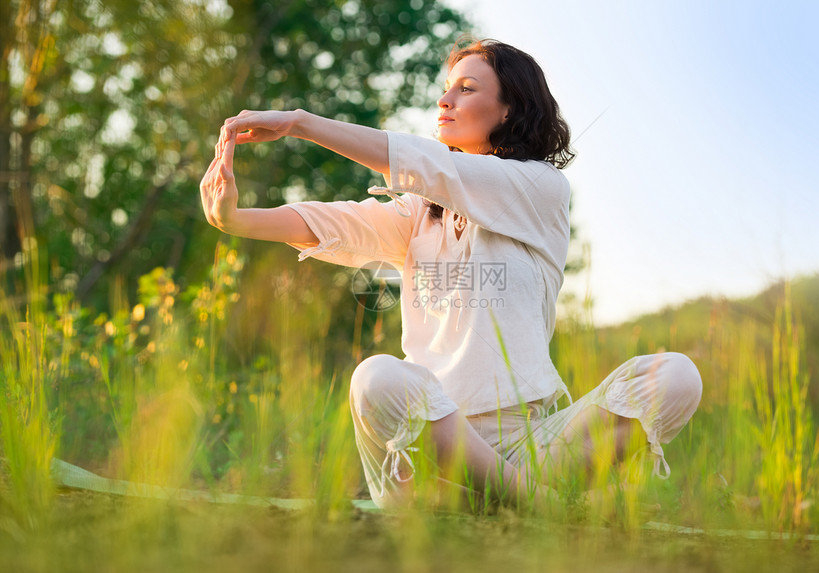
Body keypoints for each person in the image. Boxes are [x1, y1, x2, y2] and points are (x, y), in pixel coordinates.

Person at [199, 39, 702, 511]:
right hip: (434, 445)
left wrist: (299, 123)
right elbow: (343, 222)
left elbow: (432, 165)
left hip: (533, 443)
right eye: (447, 88)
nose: (445, 100)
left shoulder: (540, 189)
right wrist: (235, 219)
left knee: (675, 375)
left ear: (509, 109)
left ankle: (513, 495)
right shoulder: (423, 212)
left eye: (467, 89)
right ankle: (536, 503)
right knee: (376, 377)